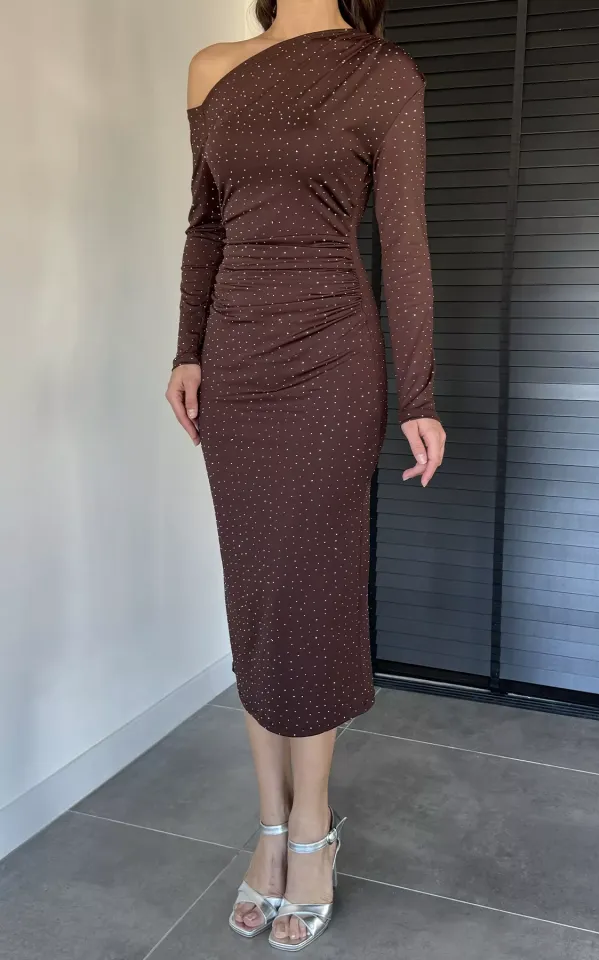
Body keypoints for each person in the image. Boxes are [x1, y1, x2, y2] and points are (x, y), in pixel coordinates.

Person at [165, 0, 446, 949]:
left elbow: (404, 239)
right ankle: (271, 826)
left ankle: (315, 825)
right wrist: (187, 349)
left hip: (332, 361)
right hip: (236, 364)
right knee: (256, 591)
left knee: (313, 592)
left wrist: (419, 394)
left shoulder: (383, 75)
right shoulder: (213, 67)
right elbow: (206, 225)